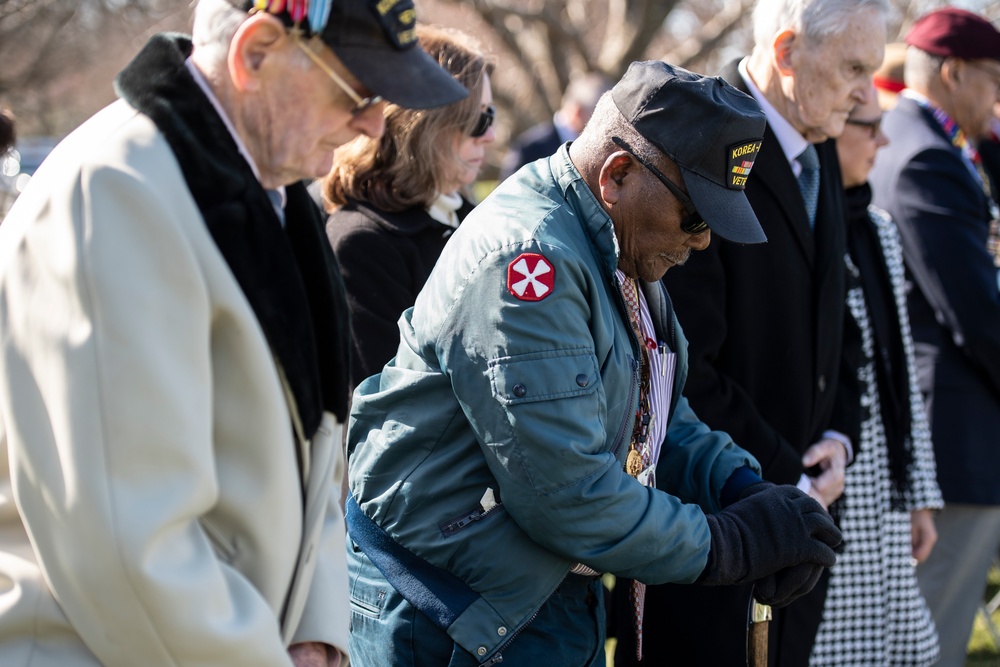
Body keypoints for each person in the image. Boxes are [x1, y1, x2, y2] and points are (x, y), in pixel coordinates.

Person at [0, 0, 466, 664]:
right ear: (255, 53)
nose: (372, 121)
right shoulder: (114, 194)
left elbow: (316, 453)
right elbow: (132, 551)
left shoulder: (269, 194)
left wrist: (314, 627)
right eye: (358, 88)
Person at [346, 61, 844, 666]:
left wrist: (742, 485)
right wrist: (729, 543)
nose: (703, 241)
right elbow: (571, 495)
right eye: (695, 216)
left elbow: (652, 412)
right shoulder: (531, 262)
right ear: (619, 174)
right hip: (456, 614)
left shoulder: (609, 238)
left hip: (522, 595)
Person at [624, 1, 888, 665]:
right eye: (855, 67)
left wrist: (837, 439)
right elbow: (685, 362)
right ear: (789, 50)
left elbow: (836, 316)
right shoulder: (704, 137)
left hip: (798, 512)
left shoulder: (817, 147)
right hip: (720, 521)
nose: (868, 92)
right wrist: (781, 472)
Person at [868, 8, 1000, 666]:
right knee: (933, 641)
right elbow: (976, 313)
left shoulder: (915, 137)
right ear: (952, 73)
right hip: (956, 439)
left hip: (949, 435)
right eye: (992, 81)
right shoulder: (926, 158)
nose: (996, 99)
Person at [809, 87, 943, 667]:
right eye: (869, 127)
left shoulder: (878, 226)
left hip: (885, 478)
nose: (883, 142)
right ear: (831, 130)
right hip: (836, 480)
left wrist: (920, 494)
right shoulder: (806, 222)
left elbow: (898, 369)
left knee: (901, 646)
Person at [325, 25, 496, 388]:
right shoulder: (361, 241)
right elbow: (388, 401)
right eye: (479, 118)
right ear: (427, 125)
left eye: (490, 115)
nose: (490, 135)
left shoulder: (472, 218)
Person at [498, 71, 611, 180]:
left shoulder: (600, 151)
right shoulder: (528, 150)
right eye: (600, 116)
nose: (605, 124)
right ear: (578, 112)